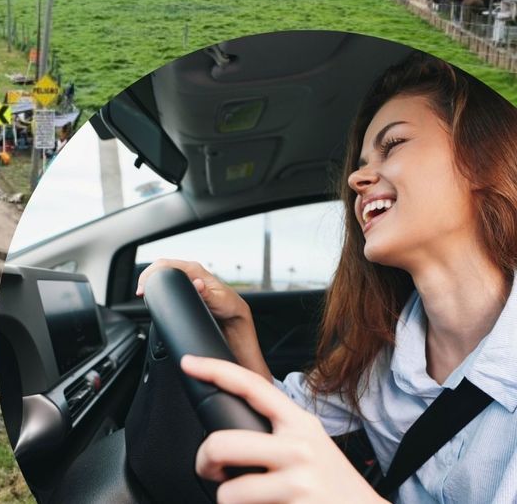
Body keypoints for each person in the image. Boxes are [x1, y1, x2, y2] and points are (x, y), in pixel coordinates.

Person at [137, 53, 517, 503]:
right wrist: (238, 323)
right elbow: (290, 416)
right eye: (360, 161)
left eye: (392, 144)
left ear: (482, 156)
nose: (357, 176)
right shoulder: (388, 359)